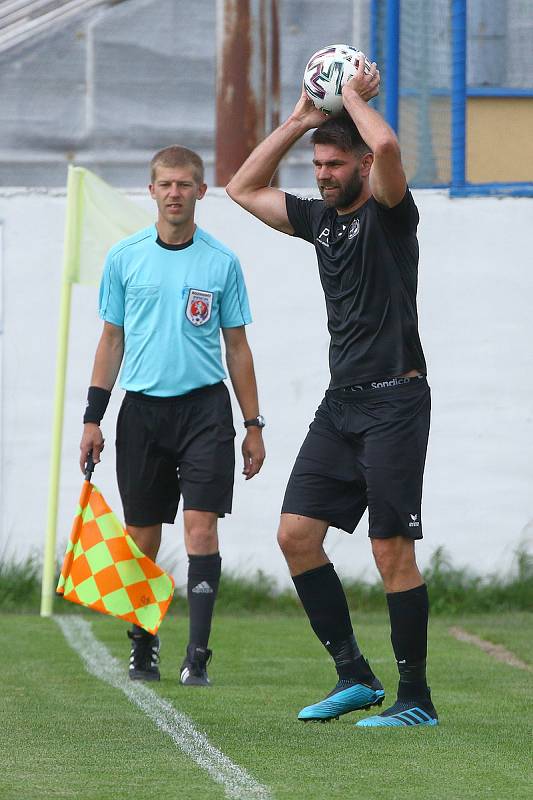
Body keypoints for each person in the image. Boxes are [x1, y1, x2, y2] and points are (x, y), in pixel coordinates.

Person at [226, 57, 437, 727]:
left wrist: (350, 95)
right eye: (317, 165)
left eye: (332, 165)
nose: (322, 174)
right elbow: (240, 186)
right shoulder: (318, 222)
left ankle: (416, 701)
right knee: (294, 535)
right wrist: (299, 119)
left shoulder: (390, 212)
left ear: (360, 172)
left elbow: (384, 145)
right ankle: (353, 675)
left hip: (395, 402)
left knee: (388, 550)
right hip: (340, 403)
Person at [80, 145, 266, 686]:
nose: (175, 194)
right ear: (152, 190)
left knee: (200, 527)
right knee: (142, 537)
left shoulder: (221, 261)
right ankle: (144, 646)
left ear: (201, 192)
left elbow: (238, 348)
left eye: (185, 185)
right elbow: (110, 339)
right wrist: (94, 418)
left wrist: (254, 425)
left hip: (205, 411)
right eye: (165, 184)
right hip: (140, 413)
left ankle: (199, 656)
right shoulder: (125, 257)